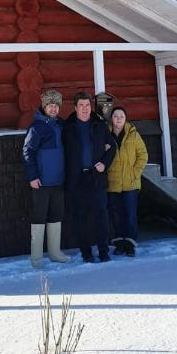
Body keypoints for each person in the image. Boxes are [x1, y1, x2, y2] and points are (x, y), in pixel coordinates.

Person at [63, 91, 116, 263]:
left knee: (101, 215)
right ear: (75, 107)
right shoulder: (68, 127)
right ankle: (86, 253)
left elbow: (112, 147)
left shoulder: (99, 125)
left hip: (96, 178)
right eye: (81, 106)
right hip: (77, 179)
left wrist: (104, 163)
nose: (85, 109)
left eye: (87, 105)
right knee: (80, 217)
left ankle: (103, 252)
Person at [22, 89, 71, 268]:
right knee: (39, 216)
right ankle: (36, 257)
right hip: (41, 181)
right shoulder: (36, 127)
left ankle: (55, 252)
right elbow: (28, 152)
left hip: (58, 180)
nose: (53, 109)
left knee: (56, 215)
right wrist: (33, 176)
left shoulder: (61, 125)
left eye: (56, 105)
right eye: (50, 105)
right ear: (44, 107)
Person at [107, 106, 148, 257]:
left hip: (130, 183)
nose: (118, 118)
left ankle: (130, 244)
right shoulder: (106, 134)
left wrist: (134, 173)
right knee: (116, 215)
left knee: (130, 214)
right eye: (116, 116)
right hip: (112, 183)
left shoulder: (133, 135)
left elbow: (143, 155)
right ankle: (119, 244)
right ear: (112, 119)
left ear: (125, 119)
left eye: (121, 116)